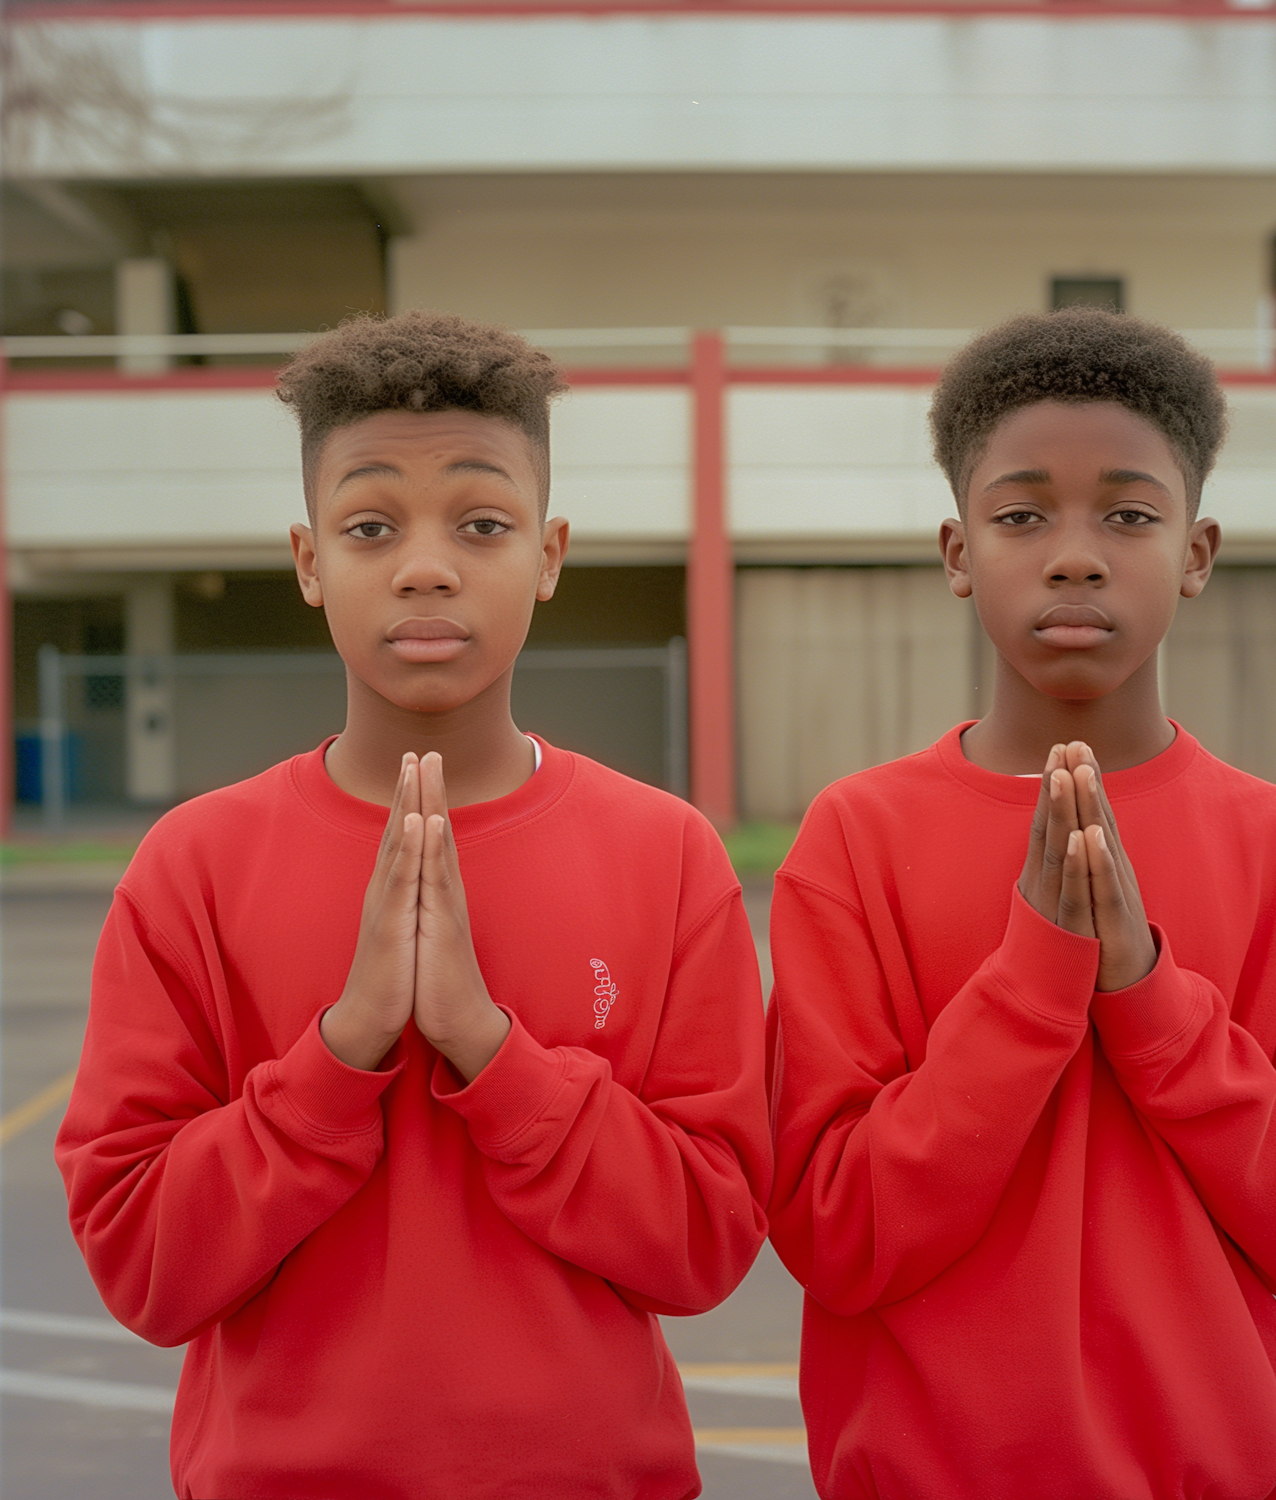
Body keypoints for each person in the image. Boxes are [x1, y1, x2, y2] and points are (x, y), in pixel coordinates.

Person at [56, 311, 771, 1500]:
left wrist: (495, 1055)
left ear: (548, 554)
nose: (425, 565)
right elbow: (143, 1265)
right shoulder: (193, 863)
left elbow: (708, 1244)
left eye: (482, 524)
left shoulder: (667, 854)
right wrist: (342, 1053)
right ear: (307, 560)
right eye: (370, 525)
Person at [765, 308, 1276, 1500]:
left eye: (1129, 514)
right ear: (959, 551)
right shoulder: (857, 838)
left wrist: (1148, 994)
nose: (1076, 553)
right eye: (1022, 515)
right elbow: (835, 1235)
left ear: (1197, 550)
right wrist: (1032, 981)